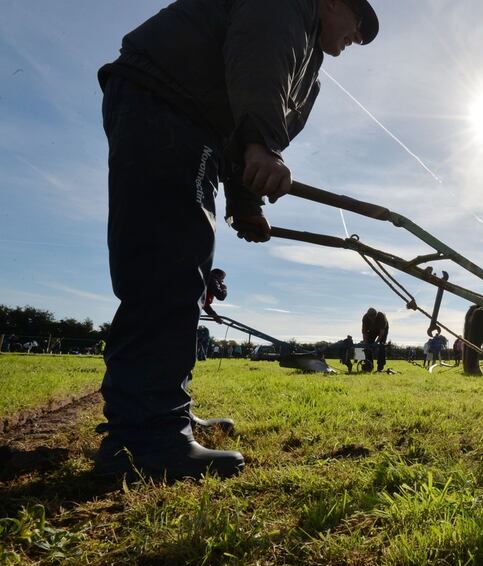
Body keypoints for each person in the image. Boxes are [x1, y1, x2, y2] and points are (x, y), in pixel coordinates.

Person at [95, 0, 380, 481]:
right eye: (358, 24)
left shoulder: (308, 61)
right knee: (168, 262)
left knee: (187, 264)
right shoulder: (288, 9)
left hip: (191, 122)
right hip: (164, 105)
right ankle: (146, 436)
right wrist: (262, 146)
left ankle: (165, 410)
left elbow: (238, 111)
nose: (357, 38)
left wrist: (246, 203)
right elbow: (257, 57)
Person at [362, 307, 389, 372]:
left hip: (383, 330)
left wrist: (376, 342)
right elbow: (364, 333)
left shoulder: (382, 316)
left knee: (382, 346)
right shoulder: (365, 318)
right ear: (368, 316)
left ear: (376, 315)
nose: (372, 320)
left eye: (374, 318)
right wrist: (366, 344)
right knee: (368, 346)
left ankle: (380, 366)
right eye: (370, 318)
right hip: (372, 330)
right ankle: (369, 365)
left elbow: (381, 333)